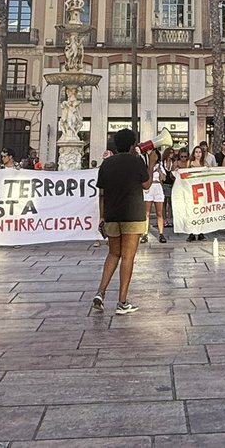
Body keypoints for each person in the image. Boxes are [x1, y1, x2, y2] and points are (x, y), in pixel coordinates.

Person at [92, 129, 151, 315]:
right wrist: (153, 163)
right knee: (128, 257)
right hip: (132, 215)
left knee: (113, 254)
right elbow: (147, 184)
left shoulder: (106, 164)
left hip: (111, 214)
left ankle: (100, 292)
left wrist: (102, 217)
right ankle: (122, 302)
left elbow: (101, 194)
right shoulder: (137, 161)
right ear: (132, 145)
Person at [141, 148, 167, 244]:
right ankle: (145, 233)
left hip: (157, 187)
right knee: (146, 213)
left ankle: (161, 233)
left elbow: (163, 178)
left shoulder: (160, 165)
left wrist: (159, 170)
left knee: (159, 213)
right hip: (149, 188)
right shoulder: (147, 166)